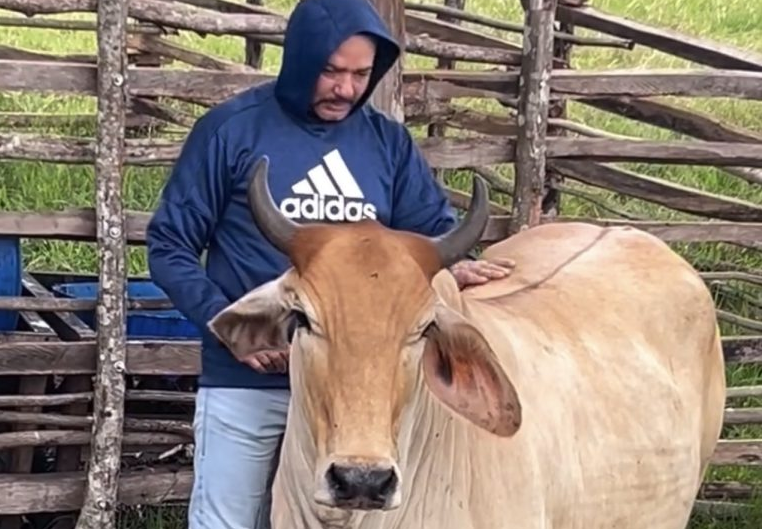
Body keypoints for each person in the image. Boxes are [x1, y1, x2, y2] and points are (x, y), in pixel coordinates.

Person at [145, 0, 514, 527]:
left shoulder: (385, 143)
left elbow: (429, 235)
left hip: (359, 397)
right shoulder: (231, 131)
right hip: (248, 379)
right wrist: (228, 327)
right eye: (331, 71)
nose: (346, 89)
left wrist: (453, 266)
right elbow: (169, 245)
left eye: (361, 75)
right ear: (299, 60)